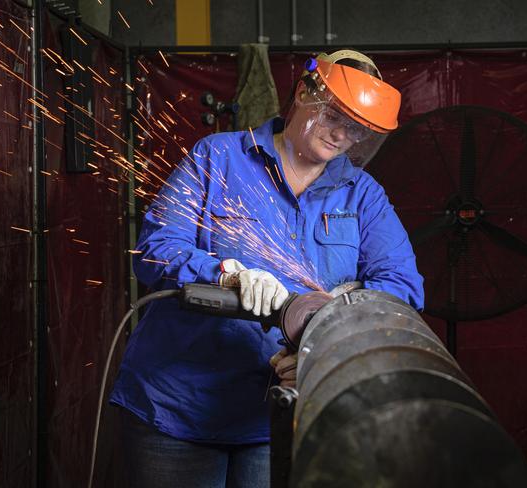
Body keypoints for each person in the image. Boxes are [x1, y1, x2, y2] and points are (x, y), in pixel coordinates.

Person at [110, 49, 424, 488]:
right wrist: (223, 272)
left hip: (279, 416)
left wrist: (330, 327)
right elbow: (155, 248)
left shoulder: (362, 195)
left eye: (357, 129)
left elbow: (403, 287)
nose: (342, 136)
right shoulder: (218, 159)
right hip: (179, 408)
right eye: (335, 117)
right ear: (303, 93)